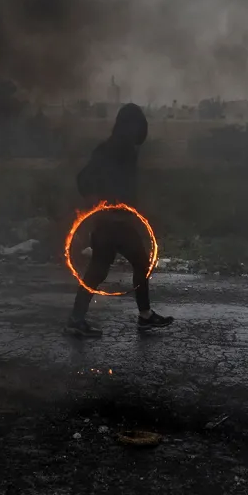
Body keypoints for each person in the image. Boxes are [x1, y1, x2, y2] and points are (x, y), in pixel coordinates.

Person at [65, 103, 174, 338]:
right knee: (135, 263)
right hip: (112, 221)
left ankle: (77, 319)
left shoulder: (120, 148)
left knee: (100, 268)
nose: (138, 131)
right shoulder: (112, 148)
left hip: (117, 218)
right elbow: (84, 179)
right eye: (136, 126)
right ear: (128, 126)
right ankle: (144, 316)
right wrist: (103, 202)